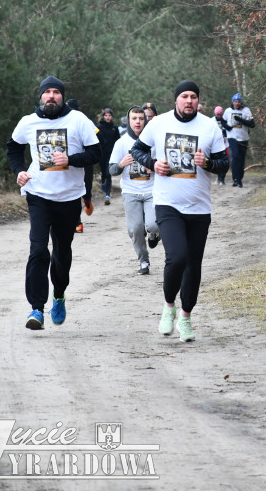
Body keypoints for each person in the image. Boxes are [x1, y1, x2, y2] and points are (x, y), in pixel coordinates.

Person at [131, 79, 229, 342]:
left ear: (198, 101)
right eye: (184, 96)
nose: (189, 101)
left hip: (199, 208)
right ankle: (168, 307)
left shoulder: (210, 126)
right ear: (176, 99)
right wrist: (153, 164)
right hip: (167, 204)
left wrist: (207, 162)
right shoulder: (159, 123)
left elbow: (224, 164)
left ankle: (185, 317)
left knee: (193, 264)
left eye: (193, 97)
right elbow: (137, 149)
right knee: (177, 257)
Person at [6, 76, 101, 330]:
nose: (51, 96)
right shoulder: (28, 122)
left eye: (55, 92)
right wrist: (19, 171)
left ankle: (59, 294)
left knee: (62, 252)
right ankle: (37, 308)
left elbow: (95, 153)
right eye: (47, 92)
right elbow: (13, 148)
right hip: (37, 193)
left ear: (62, 96)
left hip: (68, 196)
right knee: (38, 249)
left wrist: (70, 160)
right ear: (40, 97)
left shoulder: (78, 120)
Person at [109, 105, 160, 276]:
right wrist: (121, 164)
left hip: (152, 190)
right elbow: (111, 170)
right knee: (135, 229)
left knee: (153, 224)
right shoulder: (121, 142)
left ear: (145, 120)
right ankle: (143, 260)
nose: (138, 122)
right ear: (128, 120)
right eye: (134, 119)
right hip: (131, 192)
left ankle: (154, 234)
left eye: (141, 118)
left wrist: (155, 167)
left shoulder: (154, 139)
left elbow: (165, 163)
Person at [66, 98, 95, 233]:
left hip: (85, 160)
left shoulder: (84, 121)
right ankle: (77, 222)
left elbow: (97, 139)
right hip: (68, 162)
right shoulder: (61, 121)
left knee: (86, 187)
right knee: (75, 190)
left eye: (70, 107)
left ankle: (88, 200)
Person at [221, 92, 255, 188]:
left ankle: (239, 179)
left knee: (241, 159)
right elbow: (223, 121)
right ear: (232, 102)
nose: (237, 103)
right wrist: (227, 128)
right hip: (232, 137)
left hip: (243, 138)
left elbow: (252, 124)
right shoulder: (228, 111)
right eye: (235, 102)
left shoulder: (246, 110)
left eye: (238, 102)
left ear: (241, 103)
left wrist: (240, 120)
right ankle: (235, 179)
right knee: (235, 156)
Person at [97, 108, 120, 204]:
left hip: (111, 154)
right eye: (106, 115)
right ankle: (103, 182)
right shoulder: (98, 128)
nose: (108, 117)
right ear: (103, 116)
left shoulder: (115, 128)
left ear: (112, 116)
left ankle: (107, 195)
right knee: (103, 173)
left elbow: (118, 141)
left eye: (109, 115)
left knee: (108, 173)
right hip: (101, 154)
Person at [213, 106, 229, 185]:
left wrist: (225, 137)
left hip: (225, 145)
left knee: (225, 161)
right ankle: (218, 177)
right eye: (217, 114)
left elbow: (228, 130)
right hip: (216, 145)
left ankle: (222, 179)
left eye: (220, 114)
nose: (219, 115)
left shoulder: (225, 121)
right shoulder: (211, 121)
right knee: (218, 162)